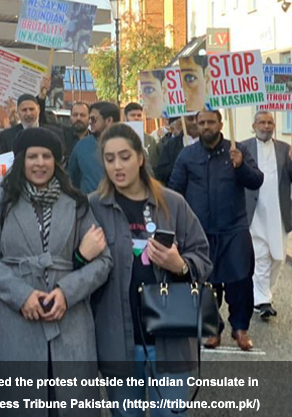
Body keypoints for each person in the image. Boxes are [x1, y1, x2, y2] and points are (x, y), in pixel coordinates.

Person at [0, 128, 112, 416]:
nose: (39, 163)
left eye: (47, 156)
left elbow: (104, 261)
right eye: (32, 156)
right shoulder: (1, 199)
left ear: (56, 161)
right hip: (13, 318)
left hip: (69, 318)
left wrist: (66, 292)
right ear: (21, 160)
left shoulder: (76, 202)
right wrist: (22, 296)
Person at [90, 123, 212, 416]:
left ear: (140, 158)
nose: (117, 166)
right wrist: (83, 257)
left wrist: (180, 265)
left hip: (169, 339)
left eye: (125, 157)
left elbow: (203, 258)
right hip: (118, 343)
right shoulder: (93, 207)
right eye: (109, 159)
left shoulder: (172, 203)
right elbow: (76, 268)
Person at [169, 110, 264, 351]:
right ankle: (212, 329)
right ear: (196, 125)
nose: (206, 126)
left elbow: (256, 180)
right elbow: (175, 190)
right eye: (201, 123)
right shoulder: (187, 155)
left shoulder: (238, 150)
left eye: (211, 122)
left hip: (234, 229)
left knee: (240, 280)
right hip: (200, 233)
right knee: (203, 284)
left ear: (221, 123)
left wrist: (240, 166)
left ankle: (240, 328)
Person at [241, 111, 292, 320]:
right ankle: (263, 301)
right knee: (260, 257)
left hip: (278, 212)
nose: (266, 126)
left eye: (270, 123)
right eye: (262, 122)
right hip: (254, 212)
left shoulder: (285, 149)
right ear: (254, 124)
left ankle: (263, 294)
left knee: (278, 258)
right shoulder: (242, 147)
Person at [68, 101, 119, 193]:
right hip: (89, 204)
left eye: (93, 119)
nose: (90, 122)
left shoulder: (130, 145)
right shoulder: (82, 146)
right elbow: (71, 177)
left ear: (109, 121)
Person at [154, 114, 199, 184]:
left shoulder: (209, 142)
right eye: (190, 118)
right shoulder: (171, 145)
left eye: (198, 118)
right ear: (183, 120)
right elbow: (160, 174)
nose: (194, 122)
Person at [124, 102, 160, 168]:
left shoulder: (150, 140)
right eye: (133, 115)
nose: (136, 118)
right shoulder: (120, 138)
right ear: (126, 118)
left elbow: (154, 163)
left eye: (139, 115)